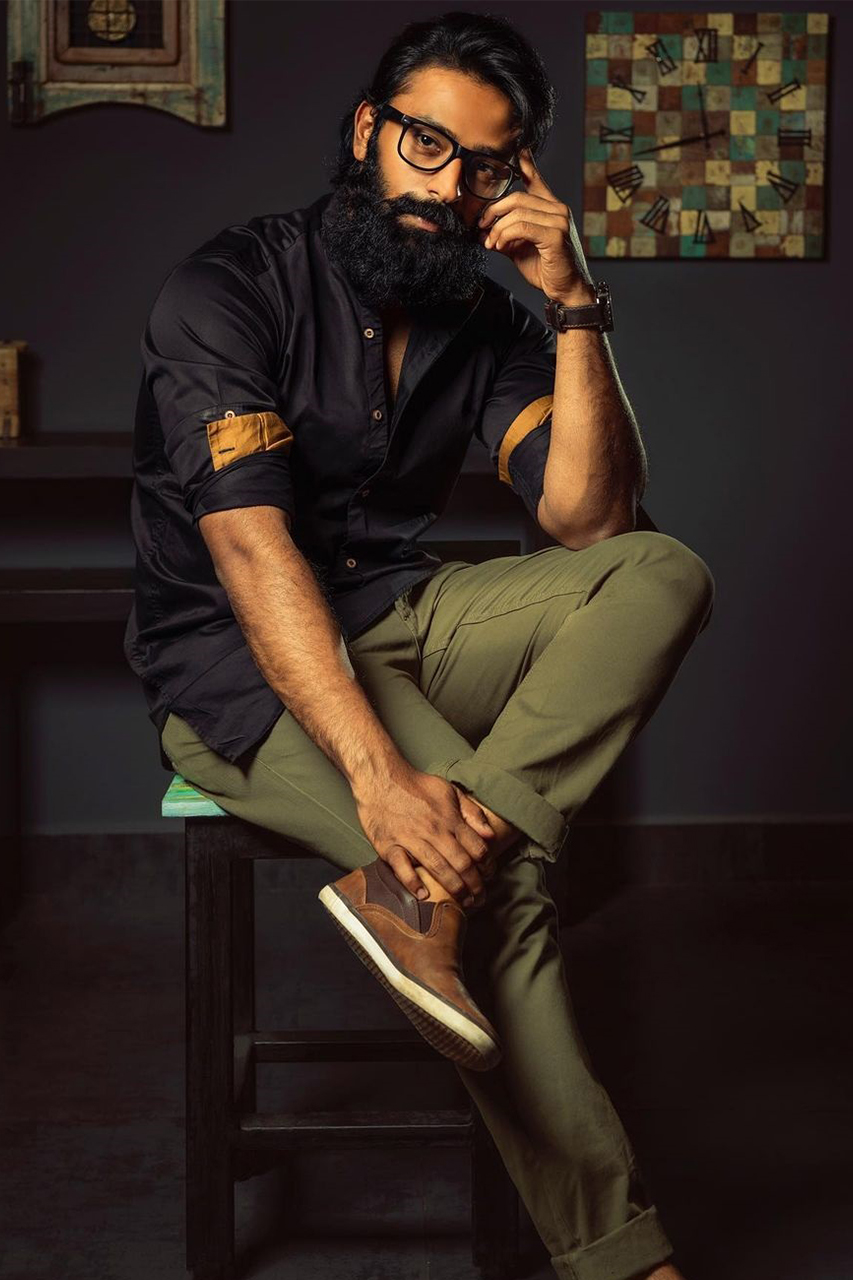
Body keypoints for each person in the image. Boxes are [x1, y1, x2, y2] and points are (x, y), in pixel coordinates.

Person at [124, 10, 714, 1278]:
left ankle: (425, 891)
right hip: (234, 672)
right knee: (506, 901)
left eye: (485, 166)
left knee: (661, 570)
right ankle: (626, 1259)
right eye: (426, 146)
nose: (447, 186)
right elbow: (253, 557)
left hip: (401, 617)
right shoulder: (225, 289)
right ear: (367, 132)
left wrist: (575, 308)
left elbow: (590, 521)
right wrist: (382, 779)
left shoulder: (488, 324)